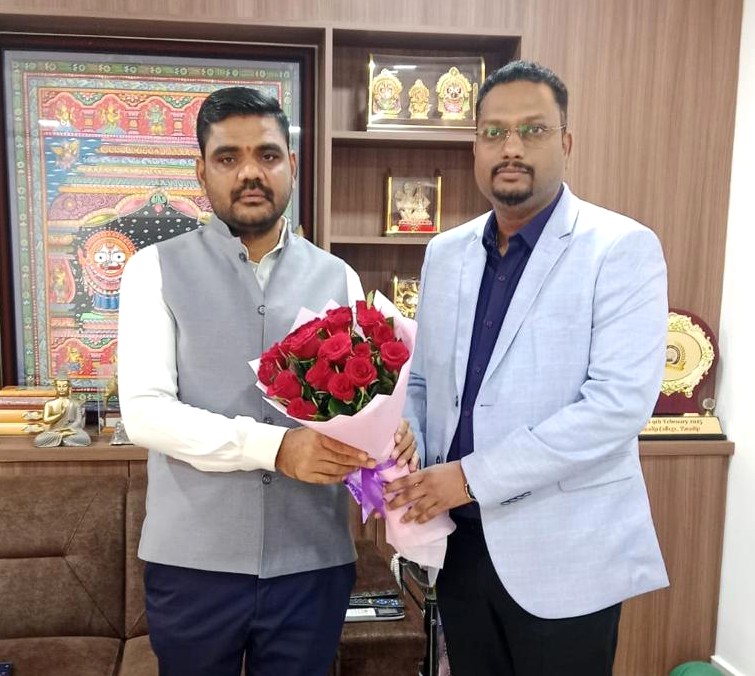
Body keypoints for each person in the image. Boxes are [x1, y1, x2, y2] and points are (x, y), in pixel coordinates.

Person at [118, 87, 416, 676]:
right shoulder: (153, 269)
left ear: (292, 167)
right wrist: (278, 448)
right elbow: (147, 413)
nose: (250, 172)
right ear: (201, 171)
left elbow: (364, 405)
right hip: (194, 565)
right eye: (228, 157)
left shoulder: (338, 276)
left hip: (312, 561)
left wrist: (392, 436)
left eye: (268, 155)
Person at [385, 60, 669, 676]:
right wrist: (407, 441)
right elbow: (425, 381)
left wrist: (467, 478)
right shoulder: (446, 253)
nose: (510, 148)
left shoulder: (620, 247)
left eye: (532, 130)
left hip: (566, 553)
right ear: (475, 146)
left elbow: (615, 408)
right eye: (494, 132)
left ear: (566, 142)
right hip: (459, 547)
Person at [33, 377, 90, 447]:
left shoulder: (75, 404)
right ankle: (62, 437)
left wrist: (68, 429)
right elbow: (46, 420)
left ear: (69, 387)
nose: (61, 389)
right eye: (59, 386)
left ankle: (60, 438)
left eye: (64, 386)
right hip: (54, 431)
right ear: (55, 388)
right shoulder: (49, 404)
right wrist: (60, 415)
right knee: (38, 440)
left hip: (71, 431)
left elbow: (78, 421)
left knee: (85, 439)